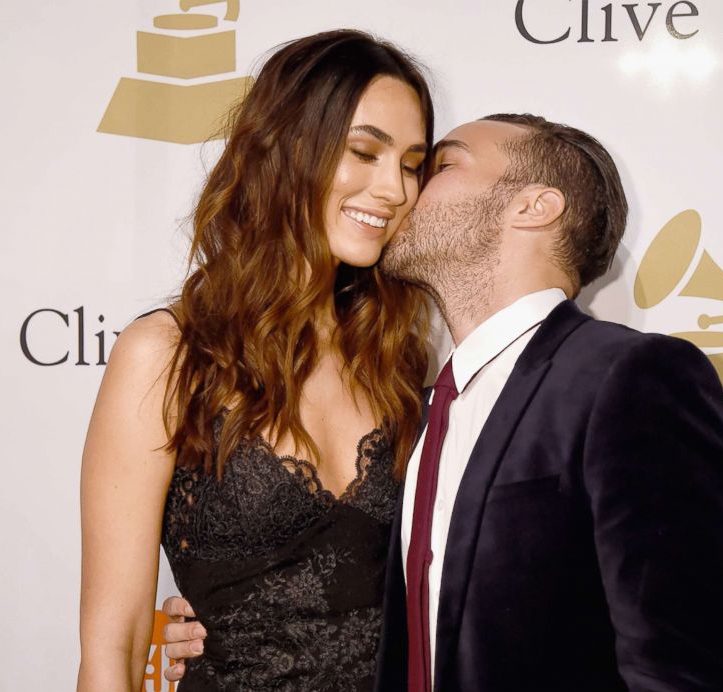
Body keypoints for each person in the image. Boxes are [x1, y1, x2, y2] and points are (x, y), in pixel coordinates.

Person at [164, 114, 723, 690]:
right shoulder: (411, 406)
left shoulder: (634, 377)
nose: (402, 191)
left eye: (438, 166)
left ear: (533, 207)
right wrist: (235, 613)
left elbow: (679, 671)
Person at [77, 30, 435, 692]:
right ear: (287, 148)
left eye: (413, 164)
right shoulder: (168, 356)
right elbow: (116, 644)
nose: (393, 189)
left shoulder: (399, 360)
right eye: (364, 153)